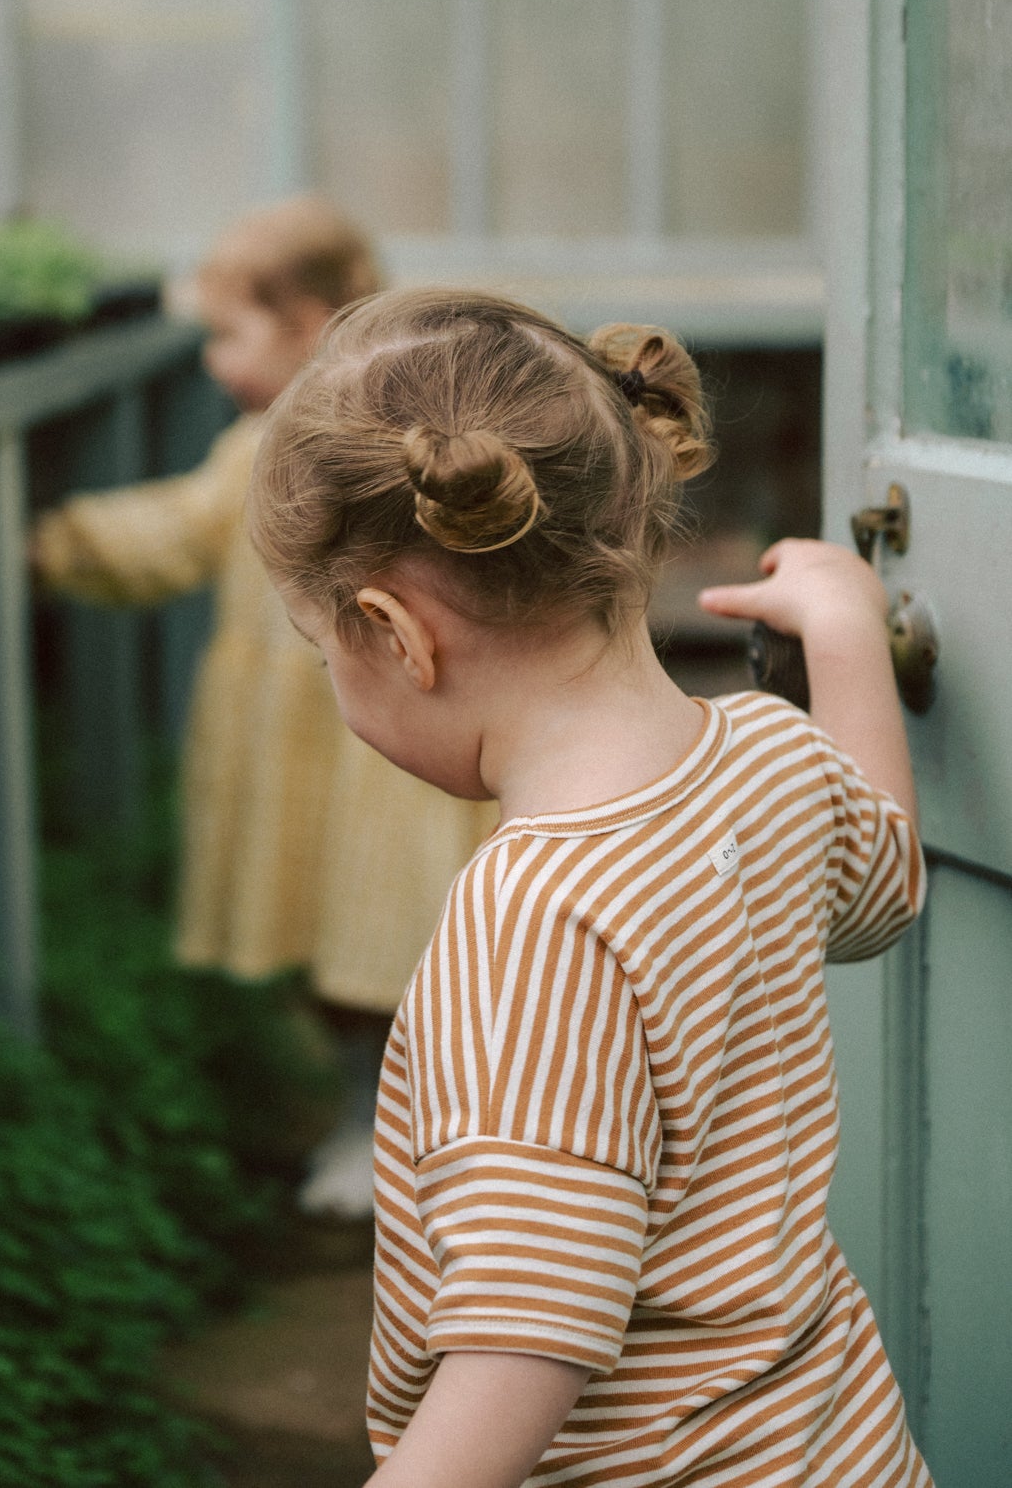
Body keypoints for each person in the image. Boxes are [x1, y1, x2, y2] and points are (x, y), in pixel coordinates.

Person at [247, 287, 930, 1487]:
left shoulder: (536, 923)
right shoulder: (767, 759)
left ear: (397, 633)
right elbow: (886, 878)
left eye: (324, 655)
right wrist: (845, 629)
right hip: (844, 1446)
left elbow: (518, 1352)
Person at [29, 198, 495, 1215]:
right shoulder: (271, 439)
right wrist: (61, 541)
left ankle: (395, 1140)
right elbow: (189, 531)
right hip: (312, 738)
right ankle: (373, 1128)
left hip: (375, 749)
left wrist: (46, 539)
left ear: (313, 319)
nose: (209, 360)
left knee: (384, 951)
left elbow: (182, 533)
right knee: (346, 952)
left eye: (227, 333)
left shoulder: (348, 439)